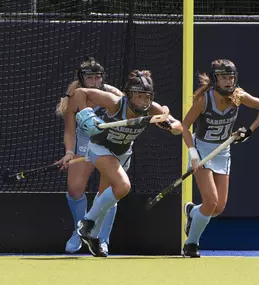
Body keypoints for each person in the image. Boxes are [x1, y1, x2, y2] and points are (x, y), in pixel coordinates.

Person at [71, 69, 183, 257]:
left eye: (147, 97)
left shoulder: (152, 109)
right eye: (139, 96)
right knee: (123, 186)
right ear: (129, 94)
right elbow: (80, 93)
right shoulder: (115, 103)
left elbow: (179, 127)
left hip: (122, 154)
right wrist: (86, 115)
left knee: (104, 198)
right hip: (100, 147)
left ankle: (94, 237)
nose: (143, 102)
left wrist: (170, 126)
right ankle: (86, 222)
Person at [181, 59, 259, 258]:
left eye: (231, 77)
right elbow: (184, 126)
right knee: (211, 201)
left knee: (218, 207)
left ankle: (193, 213)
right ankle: (191, 244)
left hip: (222, 152)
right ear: (215, 79)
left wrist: (248, 131)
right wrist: (192, 152)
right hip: (202, 150)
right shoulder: (205, 100)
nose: (228, 82)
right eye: (224, 78)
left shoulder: (238, 96)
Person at [56, 57, 123, 255]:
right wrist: (69, 152)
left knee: (109, 192)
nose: (94, 81)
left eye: (97, 77)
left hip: (109, 144)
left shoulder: (113, 94)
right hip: (85, 144)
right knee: (74, 189)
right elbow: (70, 130)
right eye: (90, 78)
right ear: (82, 78)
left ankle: (102, 238)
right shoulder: (73, 96)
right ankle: (80, 231)